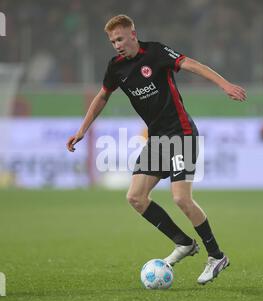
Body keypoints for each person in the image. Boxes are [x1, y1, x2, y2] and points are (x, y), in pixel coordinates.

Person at [66, 14, 246, 284]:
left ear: (133, 34)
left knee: (181, 199)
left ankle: (216, 255)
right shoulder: (115, 67)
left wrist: (225, 85)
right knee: (135, 197)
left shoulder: (156, 52)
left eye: (120, 39)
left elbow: (192, 64)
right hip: (158, 140)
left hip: (182, 133)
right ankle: (184, 243)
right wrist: (82, 130)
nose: (117, 45)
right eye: (112, 41)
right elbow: (103, 95)